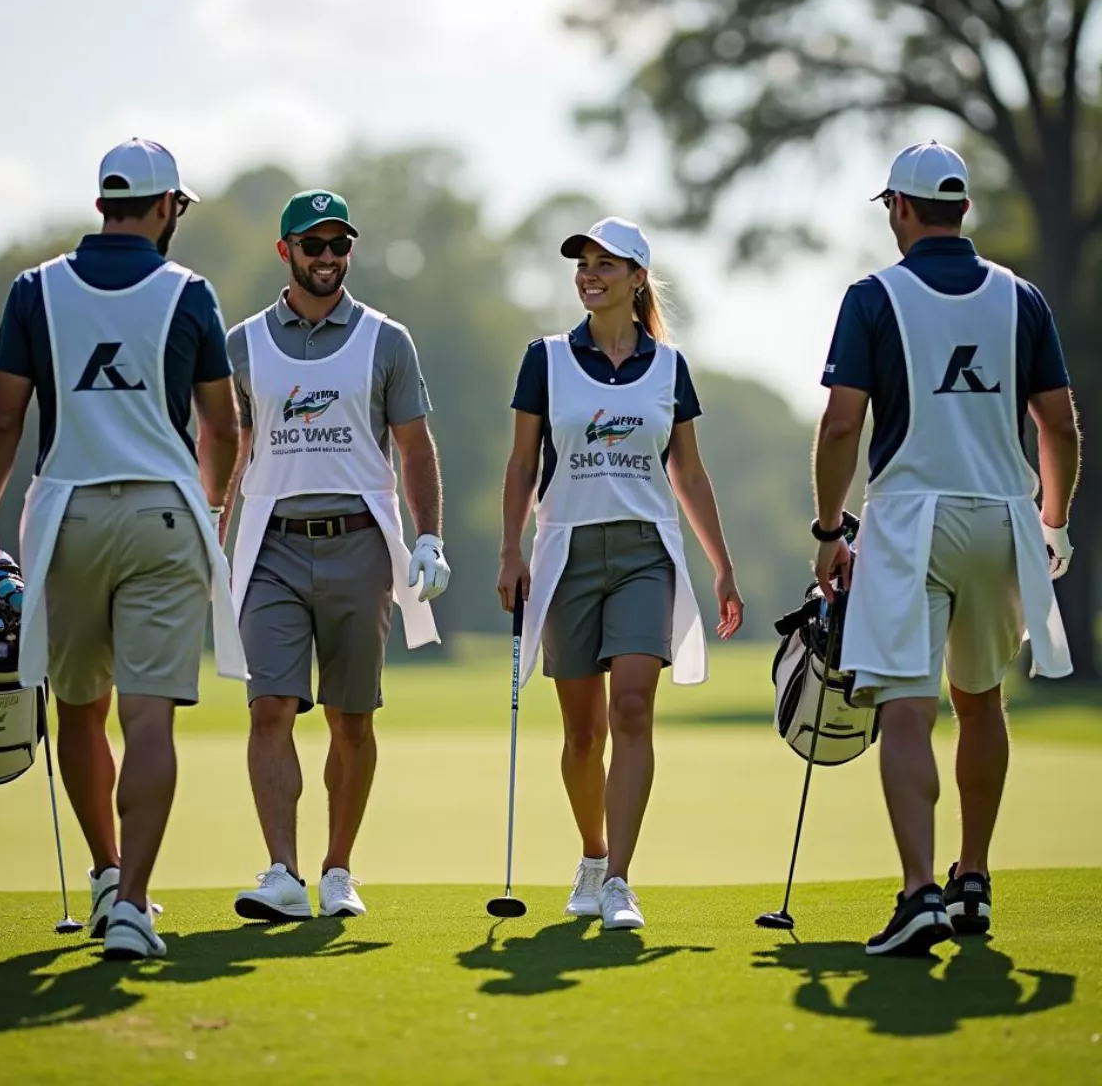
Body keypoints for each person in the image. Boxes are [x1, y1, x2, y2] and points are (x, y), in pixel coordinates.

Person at [0, 138, 246, 961]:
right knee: (148, 714)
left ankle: (107, 875)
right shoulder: (189, 292)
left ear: (101, 207)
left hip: (66, 517)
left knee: (78, 707)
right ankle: (134, 907)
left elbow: (3, 418)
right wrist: (212, 504)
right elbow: (222, 425)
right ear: (163, 209)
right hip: (162, 516)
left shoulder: (33, 289)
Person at [813, 140, 1079, 957]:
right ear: (962, 209)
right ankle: (975, 879)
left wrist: (828, 531)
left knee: (905, 706)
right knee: (981, 701)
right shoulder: (1021, 297)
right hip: (1003, 515)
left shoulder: (872, 295)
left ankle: (919, 890)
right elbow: (1060, 424)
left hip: (907, 518)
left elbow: (842, 424)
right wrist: (1055, 523)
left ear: (899, 207)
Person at [497, 216, 744, 931]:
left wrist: (722, 566)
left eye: (607, 264)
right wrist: (510, 552)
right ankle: (594, 856)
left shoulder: (670, 367)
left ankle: (621, 884)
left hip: (644, 551)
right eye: (584, 263)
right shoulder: (544, 359)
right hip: (565, 550)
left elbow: (689, 473)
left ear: (638, 279)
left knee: (630, 708)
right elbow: (521, 465)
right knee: (582, 734)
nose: (590, 274)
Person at [224, 188, 450, 922]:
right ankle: (282, 873)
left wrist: (428, 536)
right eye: (312, 245)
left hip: (360, 546)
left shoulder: (388, 339)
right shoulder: (243, 343)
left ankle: (338, 869)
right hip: (271, 549)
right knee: (270, 709)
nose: (327, 258)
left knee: (351, 720)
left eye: (338, 245)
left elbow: (415, 447)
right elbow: (229, 447)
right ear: (283, 251)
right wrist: (206, 523)